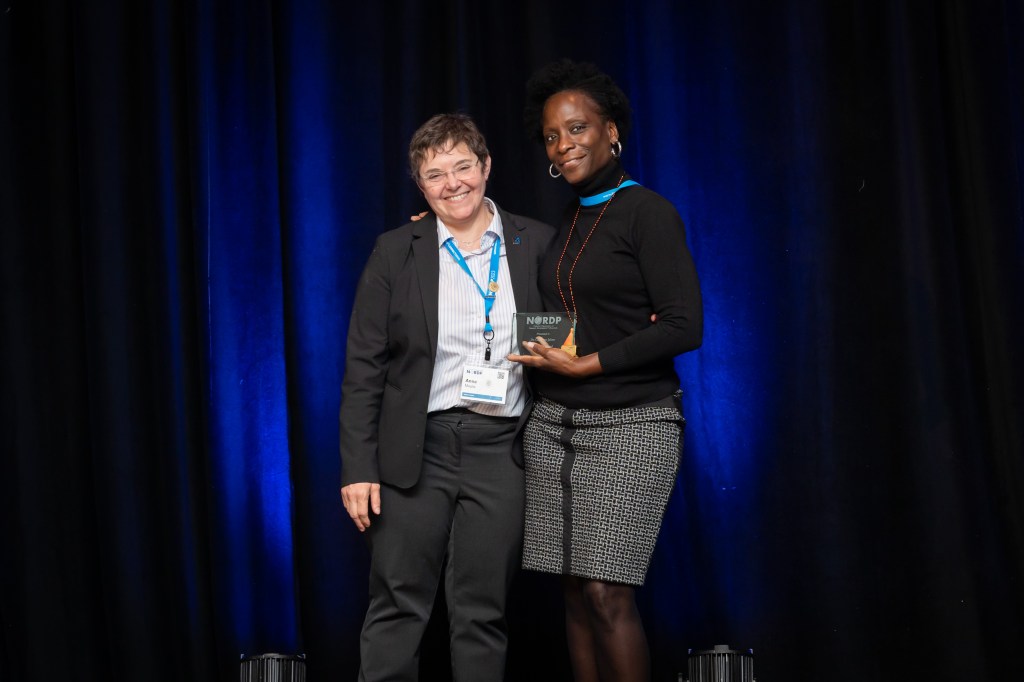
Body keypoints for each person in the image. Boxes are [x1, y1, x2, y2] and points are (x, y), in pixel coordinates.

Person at [339, 112, 555, 681]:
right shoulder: (395, 251)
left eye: (463, 166)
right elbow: (365, 366)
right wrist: (358, 467)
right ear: (420, 185)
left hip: (502, 452)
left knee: (482, 612)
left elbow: (558, 340)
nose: (452, 183)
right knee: (397, 605)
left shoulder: (534, 243)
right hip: (416, 452)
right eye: (435, 174)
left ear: (486, 168)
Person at [507, 59, 703, 681]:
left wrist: (588, 364)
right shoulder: (565, 222)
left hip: (633, 423)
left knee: (605, 592)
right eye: (551, 136)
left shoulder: (649, 212)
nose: (564, 145)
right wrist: (435, 231)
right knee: (571, 592)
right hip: (555, 426)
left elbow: (684, 326)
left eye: (577, 129)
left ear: (611, 130)